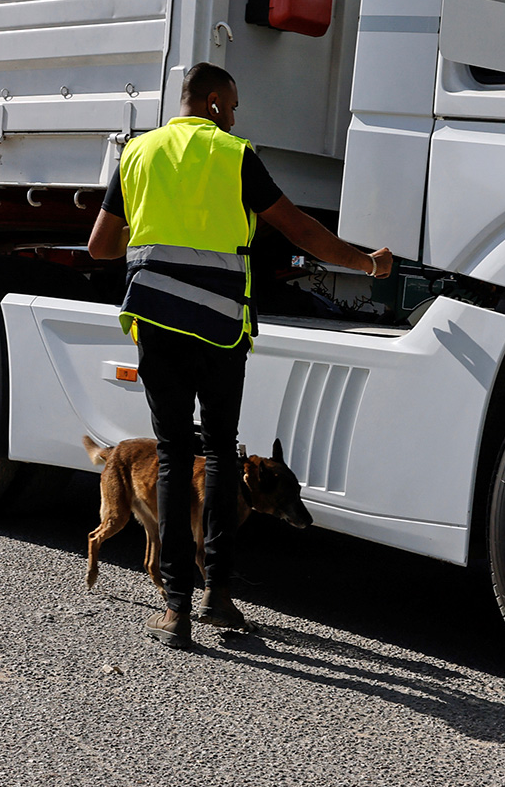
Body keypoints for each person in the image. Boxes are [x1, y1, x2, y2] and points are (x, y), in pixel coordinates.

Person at [87, 62, 393, 649]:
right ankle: (218, 598)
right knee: (221, 455)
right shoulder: (233, 155)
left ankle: (175, 610)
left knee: (175, 455)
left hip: (155, 327)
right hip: (220, 331)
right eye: (229, 105)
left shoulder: (135, 155)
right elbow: (299, 231)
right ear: (207, 101)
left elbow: (102, 246)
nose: (233, 116)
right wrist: (367, 264)